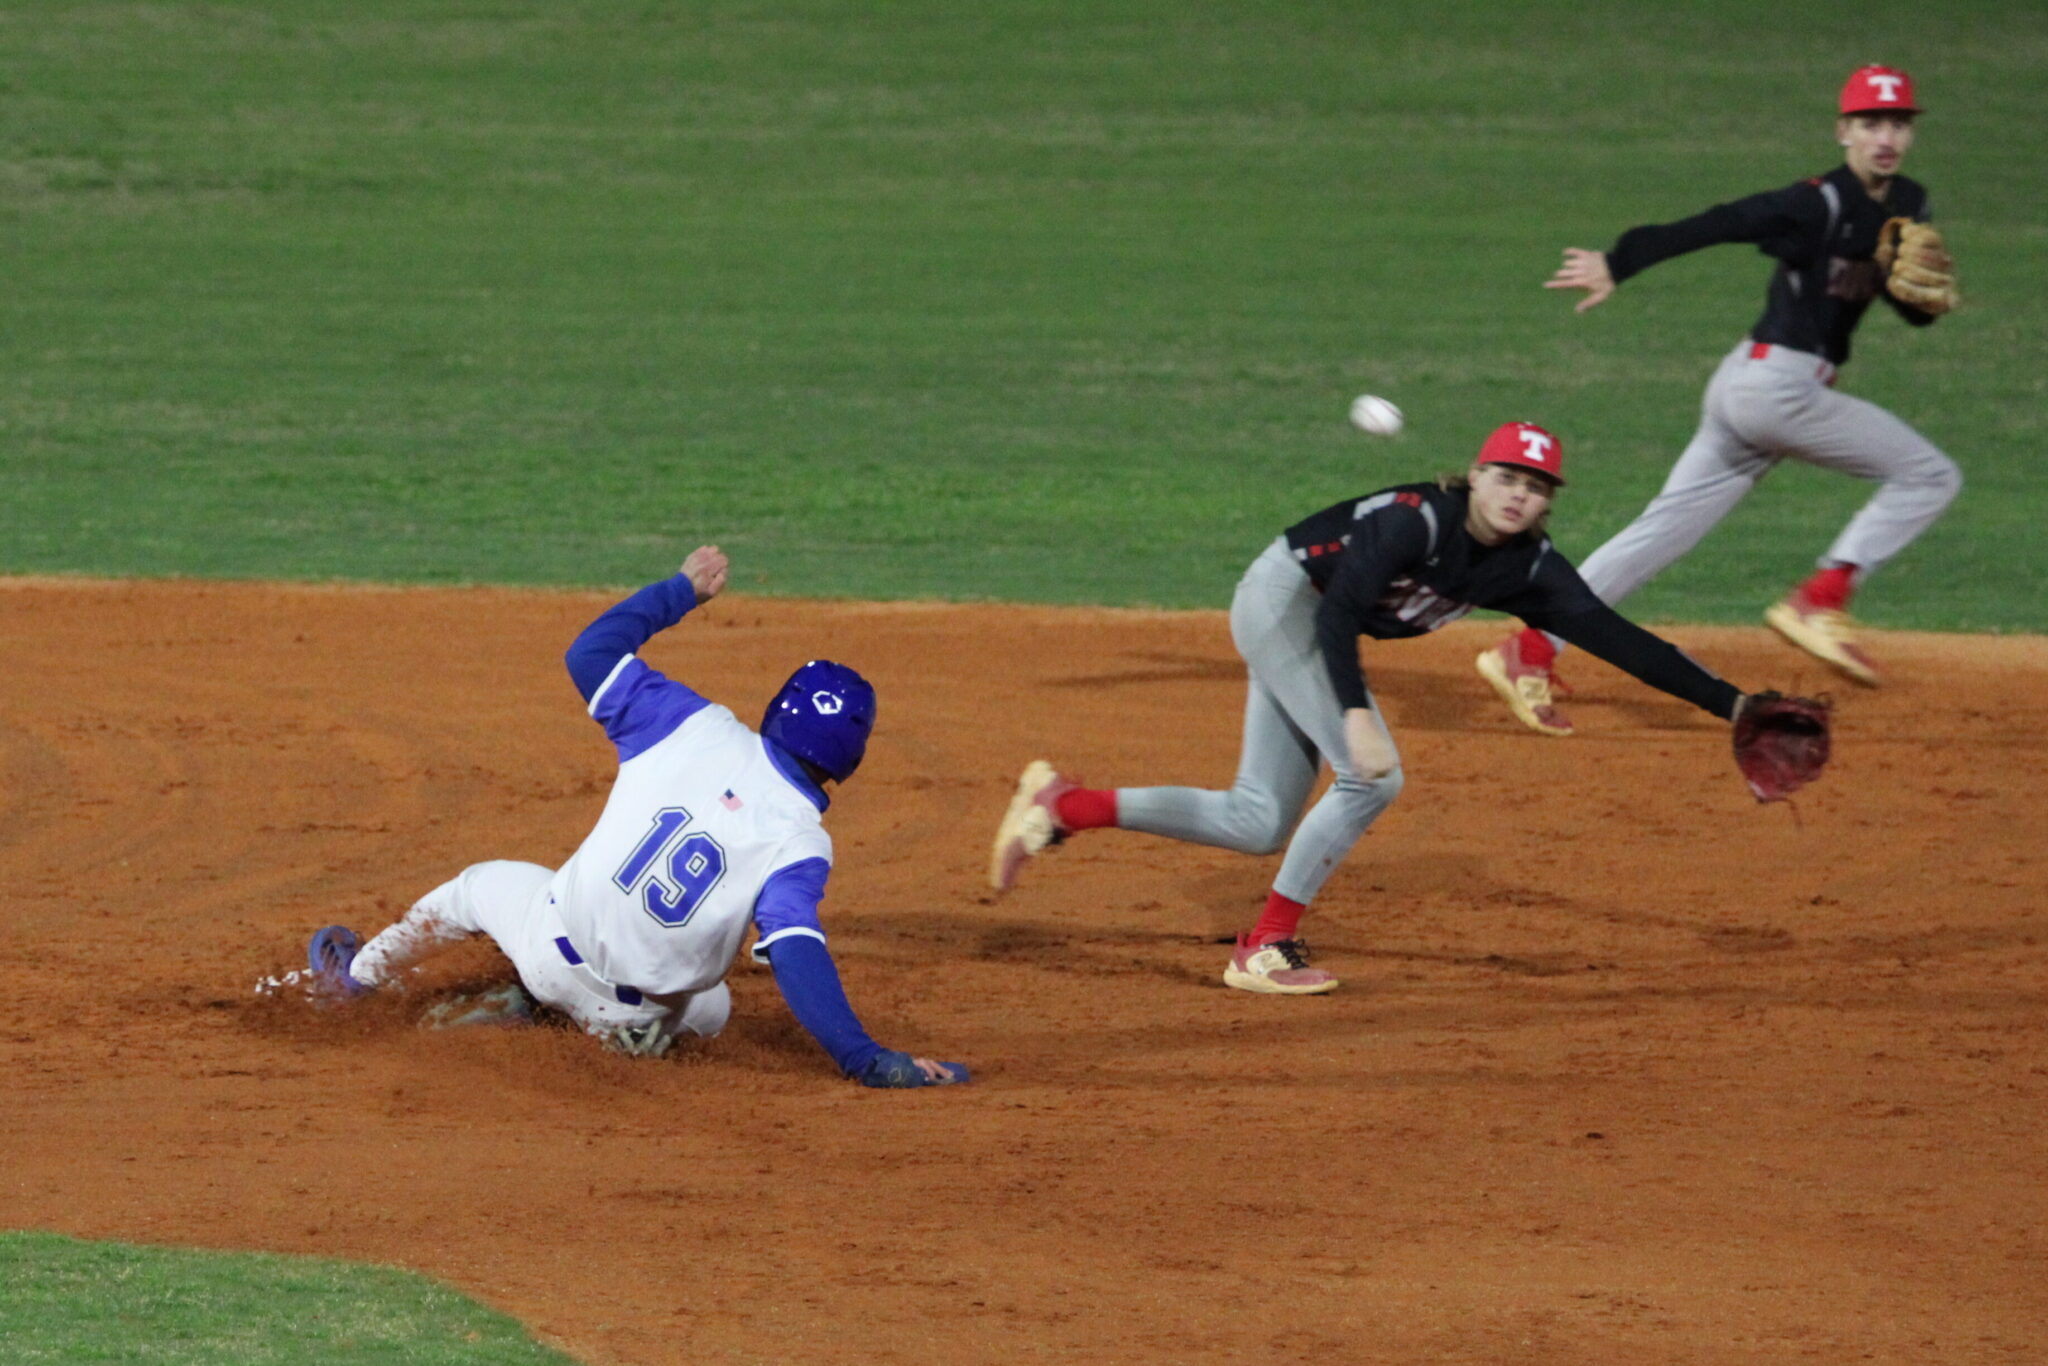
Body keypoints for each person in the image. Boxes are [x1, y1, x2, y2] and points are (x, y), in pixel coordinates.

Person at [991, 422, 1771, 995]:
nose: (1519, 495)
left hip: (1311, 626)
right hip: (1284, 601)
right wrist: (1355, 714)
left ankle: (1067, 806)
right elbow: (1337, 614)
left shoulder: (1529, 568)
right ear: (1476, 475)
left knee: (1258, 821)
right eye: (1508, 477)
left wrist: (1733, 704)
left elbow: (1620, 639)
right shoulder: (1414, 520)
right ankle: (1264, 947)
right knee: (1373, 777)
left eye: (1536, 488)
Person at [300, 546, 967, 1088]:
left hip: (546, 952)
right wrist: (864, 1058)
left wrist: (682, 590)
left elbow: (589, 654)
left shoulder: (690, 725)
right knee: (716, 1007)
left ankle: (356, 980)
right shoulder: (802, 842)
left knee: (478, 887)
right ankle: (601, 1031)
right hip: (639, 1011)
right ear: (850, 758)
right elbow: (794, 948)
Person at [1478, 64, 1959, 735]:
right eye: (1870, 123)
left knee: (1659, 532)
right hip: (1774, 391)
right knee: (1930, 474)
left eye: (1898, 124)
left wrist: (1920, 306)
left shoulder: (1907, 202)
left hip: (1756, 392)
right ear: (1843, 130)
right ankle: (1822, 597)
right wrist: (1620, 261)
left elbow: (1904, 303)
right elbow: (1721, 222)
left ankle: (1528, 650)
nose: (1886, 137)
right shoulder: (1816, 202)